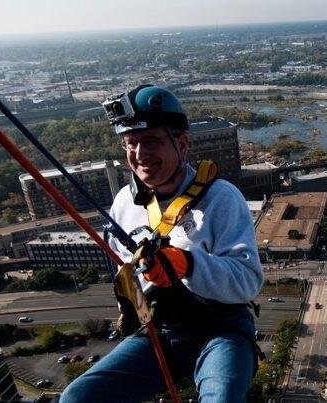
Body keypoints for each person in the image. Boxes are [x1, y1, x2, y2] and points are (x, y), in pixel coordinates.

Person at [59, 84, 263, 403]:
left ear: (181, 145)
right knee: (78, 396)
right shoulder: (125, 203)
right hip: (160, 331)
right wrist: (129, 305)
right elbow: (124, 270)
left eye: (151, 141)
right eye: (131, 143)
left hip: (220, 331)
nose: (140, 155)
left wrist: (187, 264)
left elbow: (247, 281)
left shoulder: (220, 198)